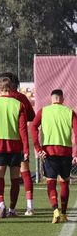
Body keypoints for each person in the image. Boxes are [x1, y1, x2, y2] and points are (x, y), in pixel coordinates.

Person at [0, 74, 30, 218]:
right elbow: (23, 129)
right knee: (15, 178)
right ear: (11, 88)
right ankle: (12, 209)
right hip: (15, 145)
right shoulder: (18, 104)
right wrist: (26, 149)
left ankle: (1, 203)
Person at [32, 89, 77, 224]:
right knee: (64, 182)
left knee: (50, 182)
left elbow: (33, 127)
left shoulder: (44, 111)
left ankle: (55, 210)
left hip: (49, 152)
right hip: (65, 152)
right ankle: (63, 213)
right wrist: (75, 152)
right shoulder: (70, 112)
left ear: (51, 99)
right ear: (62, 99)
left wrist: (38, 148)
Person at [2, 72, 38, 215]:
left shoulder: (0, 100)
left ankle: (1, 203)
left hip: (3, 141)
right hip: (19, 141)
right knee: (24, 173)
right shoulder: (22, 98)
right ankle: (29, 206)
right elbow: (32, 117)